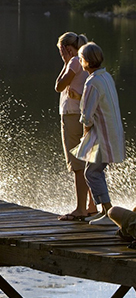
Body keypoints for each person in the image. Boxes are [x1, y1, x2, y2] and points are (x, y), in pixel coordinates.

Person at [71, 42, 125, 225]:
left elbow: (87, 115)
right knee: (94, 171)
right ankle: (107, 211)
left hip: (102, 136)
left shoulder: (92, 82)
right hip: (113, 133)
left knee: (92, 173)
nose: (80, 61)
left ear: (85, 61)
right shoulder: (106, 76)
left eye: (80, 58)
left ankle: (108, 213)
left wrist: (85, 135)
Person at [55, 32, 96, 221]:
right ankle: (91, 205)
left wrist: (65, 62)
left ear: (66, 49)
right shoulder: (86, 60)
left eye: (61, 50)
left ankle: (80, 208)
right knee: (89, 160)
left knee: (77, 164)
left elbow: (59, 86)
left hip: (72, 116)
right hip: (85, 114)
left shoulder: (72, 62)